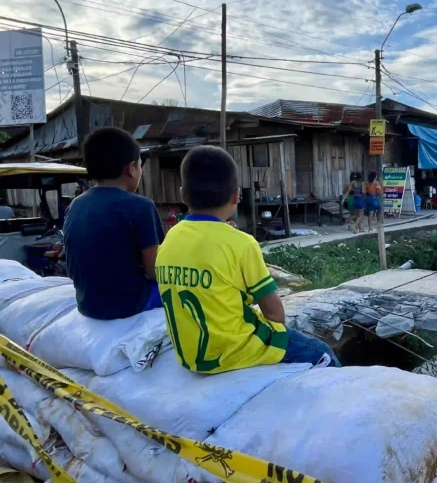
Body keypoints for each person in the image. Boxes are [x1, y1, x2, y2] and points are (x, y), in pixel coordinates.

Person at [156, 146, 340, 373]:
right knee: (323, 353)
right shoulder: (242, 243)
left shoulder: (169, 239)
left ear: (183, 194)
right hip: (234, 351)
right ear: (236, 195)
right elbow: (275, 314)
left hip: (190, 357)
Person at [63, 127, 164, 320]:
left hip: (87, 304)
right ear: (131, 168)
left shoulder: (76, 205)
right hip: (130, 304)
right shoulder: (141, 206)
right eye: (140, 166)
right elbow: (155, 270)